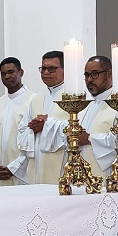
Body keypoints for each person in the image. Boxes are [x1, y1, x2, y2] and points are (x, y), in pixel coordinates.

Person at [34, 56, 118, 177]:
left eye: (94, 74)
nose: (89, 79)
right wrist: (47, 124)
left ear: (109, 74)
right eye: (86, 75)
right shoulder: (86, 104)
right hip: (80, 175)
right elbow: (68, 130)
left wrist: (89, 139)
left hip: (105, 176)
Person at [0, 57, 36, 186]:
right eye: (3, 73)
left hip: (23, 175)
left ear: (21, 72)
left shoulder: (33, 101)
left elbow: (33, 142)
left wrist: (14, 168)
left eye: (11, 72)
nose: (7, 76)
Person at [18, 51, 69, 184]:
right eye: (43, 69)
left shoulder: (74, 97)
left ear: (65, 70)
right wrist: (33, 127)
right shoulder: (36, 99)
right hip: (38, 166)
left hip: (64, 164)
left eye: (51, 69)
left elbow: (80, 128)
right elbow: (22, 129)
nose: (46, 72)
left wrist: (47, 125)